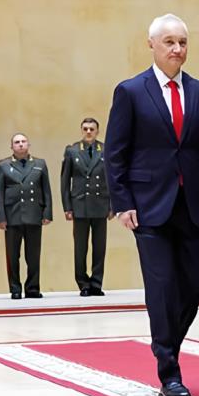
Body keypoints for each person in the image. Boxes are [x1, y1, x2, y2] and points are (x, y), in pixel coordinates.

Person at [105, 13, 199, 396]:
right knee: (161, 289)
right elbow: (116, 153)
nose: (177, 50)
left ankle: (165, 344)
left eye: (182, 42)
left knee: (193, 289)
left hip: (192, 206)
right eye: (169, 42)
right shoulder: (130, 91)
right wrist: (123, 202)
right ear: (152, 45)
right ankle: (170, 373)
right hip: (149, 208)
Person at [0, 133, 52, 299]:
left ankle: (32, 288)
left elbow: (46, 190)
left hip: (34, 214)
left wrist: (47, 212)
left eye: (23, 141)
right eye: (16, 142)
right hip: (12, 216)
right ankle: (15, 289)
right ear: (11, 147)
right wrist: (1, 217)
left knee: (33, 255)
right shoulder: (3, 165)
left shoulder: (40, 164)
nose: (20, 144)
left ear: (29, 144)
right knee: (13, 256)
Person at [61, 117, 112, 297]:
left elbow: (113, 179)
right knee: (80, 248)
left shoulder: (106, 150)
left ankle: (96, 283)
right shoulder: (72, 151)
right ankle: (83, 283)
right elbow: (65, 181)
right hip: (80, 205)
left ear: (97, 131)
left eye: (92, 129)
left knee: (100, 247)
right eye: (85, 129)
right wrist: (67, 207)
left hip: (100, 204)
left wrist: (112, 205)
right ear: (81, 130)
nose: (88, 132)